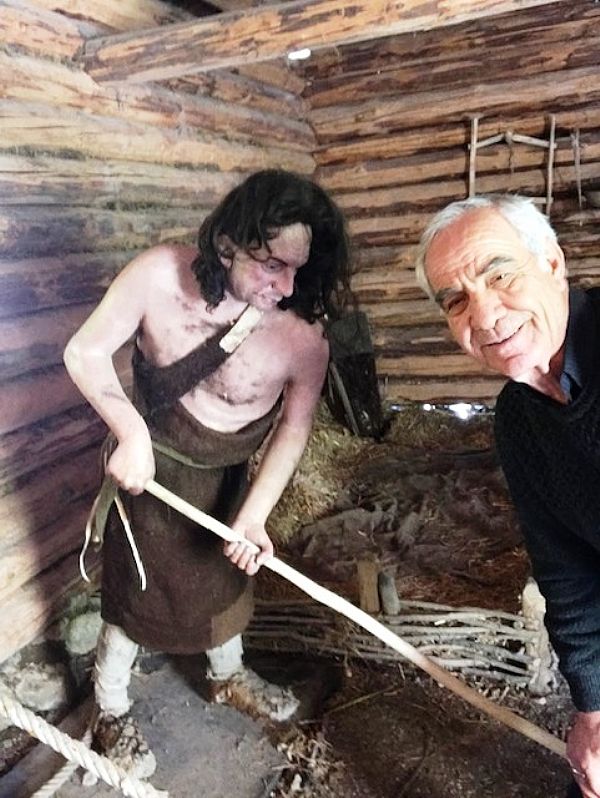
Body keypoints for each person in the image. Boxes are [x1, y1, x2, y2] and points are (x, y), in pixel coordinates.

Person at [64, 169, 350, 777]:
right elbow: (84, 351)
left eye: (297, 269)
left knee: (225, 588)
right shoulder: (156, 277)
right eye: (271, 264)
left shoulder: (303, 338)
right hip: (150, 471)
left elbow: (294, 428)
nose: (286, 285)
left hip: (226, 480)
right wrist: (131, 434)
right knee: (134, 596)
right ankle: (110, 707)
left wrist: (255, 515)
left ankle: (228, 676)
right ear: (227, 244)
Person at [415, 194, 600, 798]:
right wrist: (593, 707)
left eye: (500, 275)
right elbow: (566, 571)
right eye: (456, 300)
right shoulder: (519, 420)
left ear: (553, 263)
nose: (486, 314)